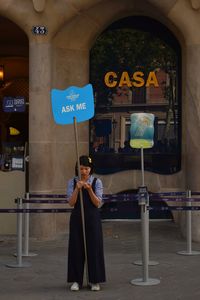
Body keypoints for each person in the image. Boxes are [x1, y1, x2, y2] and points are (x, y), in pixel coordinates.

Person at [67, 155, 106, 291]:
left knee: (94, 248)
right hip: (77, 218)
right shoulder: (72, 182)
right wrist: (77, 189)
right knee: (76, 248)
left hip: (92, 218)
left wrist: (89, 189)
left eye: (86, 169)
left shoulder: (97, 182)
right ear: (77, 169)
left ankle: (94, 280)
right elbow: (71, 203)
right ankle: (77, 280)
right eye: (81, 169)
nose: (84, 172)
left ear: (90, 169)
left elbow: (98, 203)